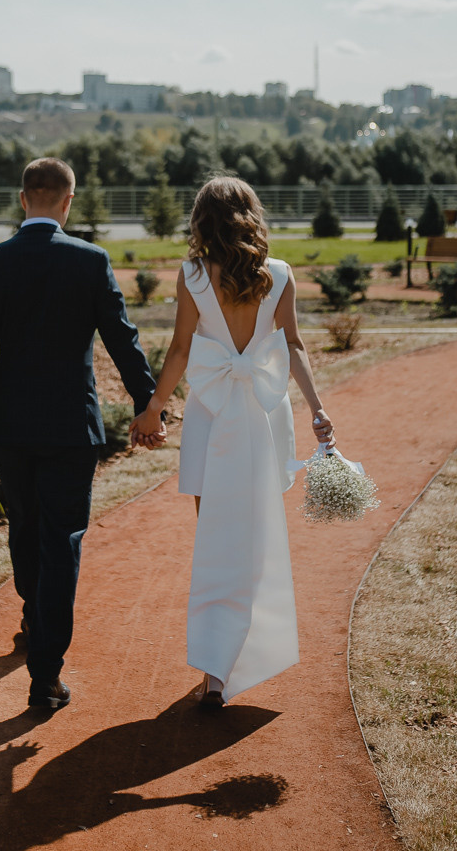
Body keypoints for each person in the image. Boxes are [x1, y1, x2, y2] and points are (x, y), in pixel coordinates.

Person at [0, 157, 163, 711]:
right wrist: (149, 404)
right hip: (71, 426)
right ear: (68, 202)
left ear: (23, 199)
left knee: (24, 528)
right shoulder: (90, 260)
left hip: (12, 428)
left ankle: (33, 614)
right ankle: (45, 675)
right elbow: (122, 338)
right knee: (61, 539)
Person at [131, 176, 335, 708]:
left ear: (202, 221)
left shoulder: (194, 276)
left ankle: (216, 673)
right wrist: (317, 408)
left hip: (212, 414)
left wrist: (154, 408)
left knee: (216, 540)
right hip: (264, 415)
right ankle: (241, 655)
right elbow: (294, 346)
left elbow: (180, 350)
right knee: (256, 537)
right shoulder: (280, 274)